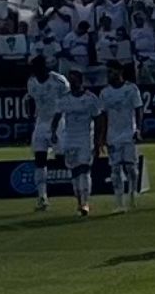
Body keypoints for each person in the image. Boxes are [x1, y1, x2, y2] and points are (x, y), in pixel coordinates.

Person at [50, 69, 102, 217]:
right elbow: (57, 116)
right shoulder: (64, 99)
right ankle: (79, 201)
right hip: (69, 138)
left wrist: (98, 141)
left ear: (80, 81)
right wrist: (53, 133)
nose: (72, 84)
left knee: (84, 170)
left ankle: (85, 202)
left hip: (85, 137)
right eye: (70, 81)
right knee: (74, 172)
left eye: (74, 80)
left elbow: (98, 120)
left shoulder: (90, 99)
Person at [26, 57, 70, 211]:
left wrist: (55, 124)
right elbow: (31, 100)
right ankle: (42, 197)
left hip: (58, 123)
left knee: (63, 159)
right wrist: (31, 119)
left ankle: (80, 186)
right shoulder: (32, 82)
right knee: (39, 159)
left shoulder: (58, 81)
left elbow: (65, 102)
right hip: (41, 123)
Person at [99, 62, 143, 212]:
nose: (109, 75)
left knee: (131, 167)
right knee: (115, 169)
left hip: (128, 132)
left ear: (119, 72)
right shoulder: (105, 93)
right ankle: (119, 202)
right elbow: (104, 115)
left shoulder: (131, 89)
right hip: (113, 135)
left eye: (111, 72)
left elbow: (138, 109)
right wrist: (102, 136)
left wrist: (138, 129)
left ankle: (133, 192)